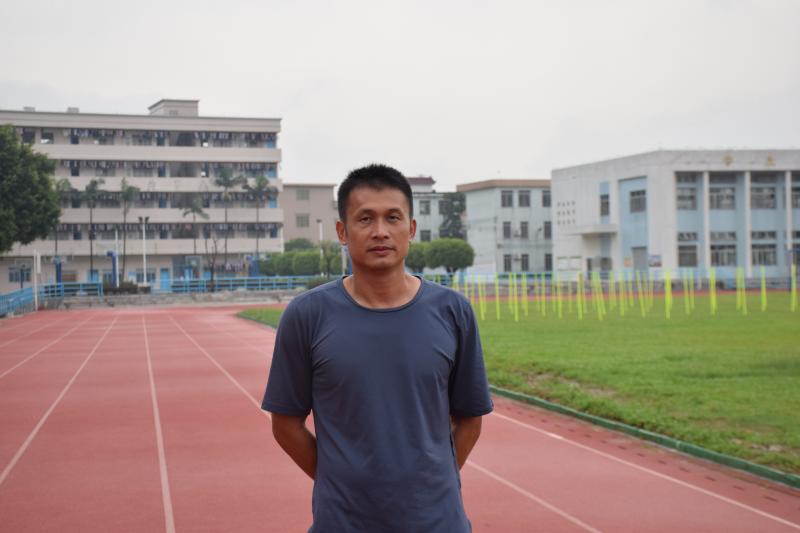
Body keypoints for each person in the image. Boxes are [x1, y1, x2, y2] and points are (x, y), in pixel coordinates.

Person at [262, 164, 493, 532]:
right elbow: (285, 424)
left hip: (438, 523)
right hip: (342, 523)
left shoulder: (453, 311)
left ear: (411, 229)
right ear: (342, 231)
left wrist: (434, 483)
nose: (380, 231)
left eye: (393, 217)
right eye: (365, 218)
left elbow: (470, 418)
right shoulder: (307, 316)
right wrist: (339, 481)